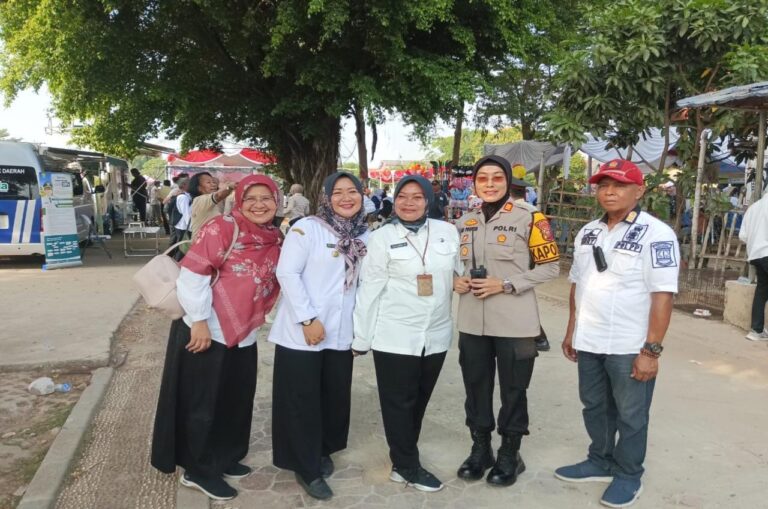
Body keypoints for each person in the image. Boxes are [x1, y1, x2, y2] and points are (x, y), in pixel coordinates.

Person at [556, 159, 679, 508]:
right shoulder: (588, 232)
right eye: (603, 185)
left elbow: (663, 295)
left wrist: (651, 351)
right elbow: (578, 284)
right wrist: (572, 330)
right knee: (594, 406)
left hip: (629, 344)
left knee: (631, 415)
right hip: (589, 340)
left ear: (639, 191)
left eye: (619, 185)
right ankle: (600, 460)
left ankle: (628, 474)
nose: (609, 192)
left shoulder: (656, 234)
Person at [151, 175, 282, 501]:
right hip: (207, 328)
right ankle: (198, 469)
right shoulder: (221, 227)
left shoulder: (273, 236)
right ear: (239, 200)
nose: (259, 205)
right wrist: (198, 321)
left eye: (266, 198)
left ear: (277, 201)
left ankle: (225, 456)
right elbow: (193, 274)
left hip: (243, 332)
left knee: (235, 399)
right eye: (251, 198)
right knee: (203, 403)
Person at [453, 155, 559, 488]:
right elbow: (454, 265)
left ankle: (510, 453)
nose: (489, 184)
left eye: (496, 177)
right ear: (474, 183)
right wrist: (456, 279)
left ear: (507, 181)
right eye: (482, 178)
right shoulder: (464, 222)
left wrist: (507, 284)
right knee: (476, 387)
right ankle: (480, 449)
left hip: (515, 321)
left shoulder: (530, 218)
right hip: (472, 320)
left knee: (514, 390)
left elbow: (550, 267)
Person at [353, 175, 460, 493]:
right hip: (395, 334)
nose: (409, 202)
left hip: (436, 334)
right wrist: (361, 338)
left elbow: (458, 273)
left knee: (419, 401)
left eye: (417, 196)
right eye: (402, 196)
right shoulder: (380, 238)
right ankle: (407, 465)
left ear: (428, 200)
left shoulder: (447, 232)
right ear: (394, 200)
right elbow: (369, 289)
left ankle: (404, 458)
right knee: (398, 403)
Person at [269, 172, 369, 500]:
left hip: (341, 333)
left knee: (333, 396)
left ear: (362, 195)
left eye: (352, 191)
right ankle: (306, 467)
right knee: (301, 400)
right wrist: (308, 318)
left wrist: (361, 331)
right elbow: (287, 272)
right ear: (325, 198)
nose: (346, 198)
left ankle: (322, 448)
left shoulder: (365, 234)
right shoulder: (307, 228)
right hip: (303, 332)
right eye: (337, 192)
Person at [508, 177, 551, 353]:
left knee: (518, 301)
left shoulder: (514, 211)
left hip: (518, 263)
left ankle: (539, 337)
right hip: (530, 261)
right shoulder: (533, 211)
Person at [739, 191, 768, 341]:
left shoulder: (753, 208)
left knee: (762, 292)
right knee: (762, 291)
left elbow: (742, 236)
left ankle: (756, 331)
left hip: (756, 255)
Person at [188, 172, 236, 239]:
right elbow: (218, 195)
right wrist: (229, 187)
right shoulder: (199, 200)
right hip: (202, 243)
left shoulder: (212, 203)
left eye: (213, 182)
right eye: (208, 182)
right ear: (199, 188)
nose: (213, 184)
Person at [168, 178, 191, 258]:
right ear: (184, 185)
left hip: (183, 225)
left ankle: (176, 259)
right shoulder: (183, 197)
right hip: (183, 226)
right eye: (190, 183)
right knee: (181, 247)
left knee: (181, 245)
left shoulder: (185, 195)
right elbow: (186, 213)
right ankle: (177, 261)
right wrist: (190, 227)